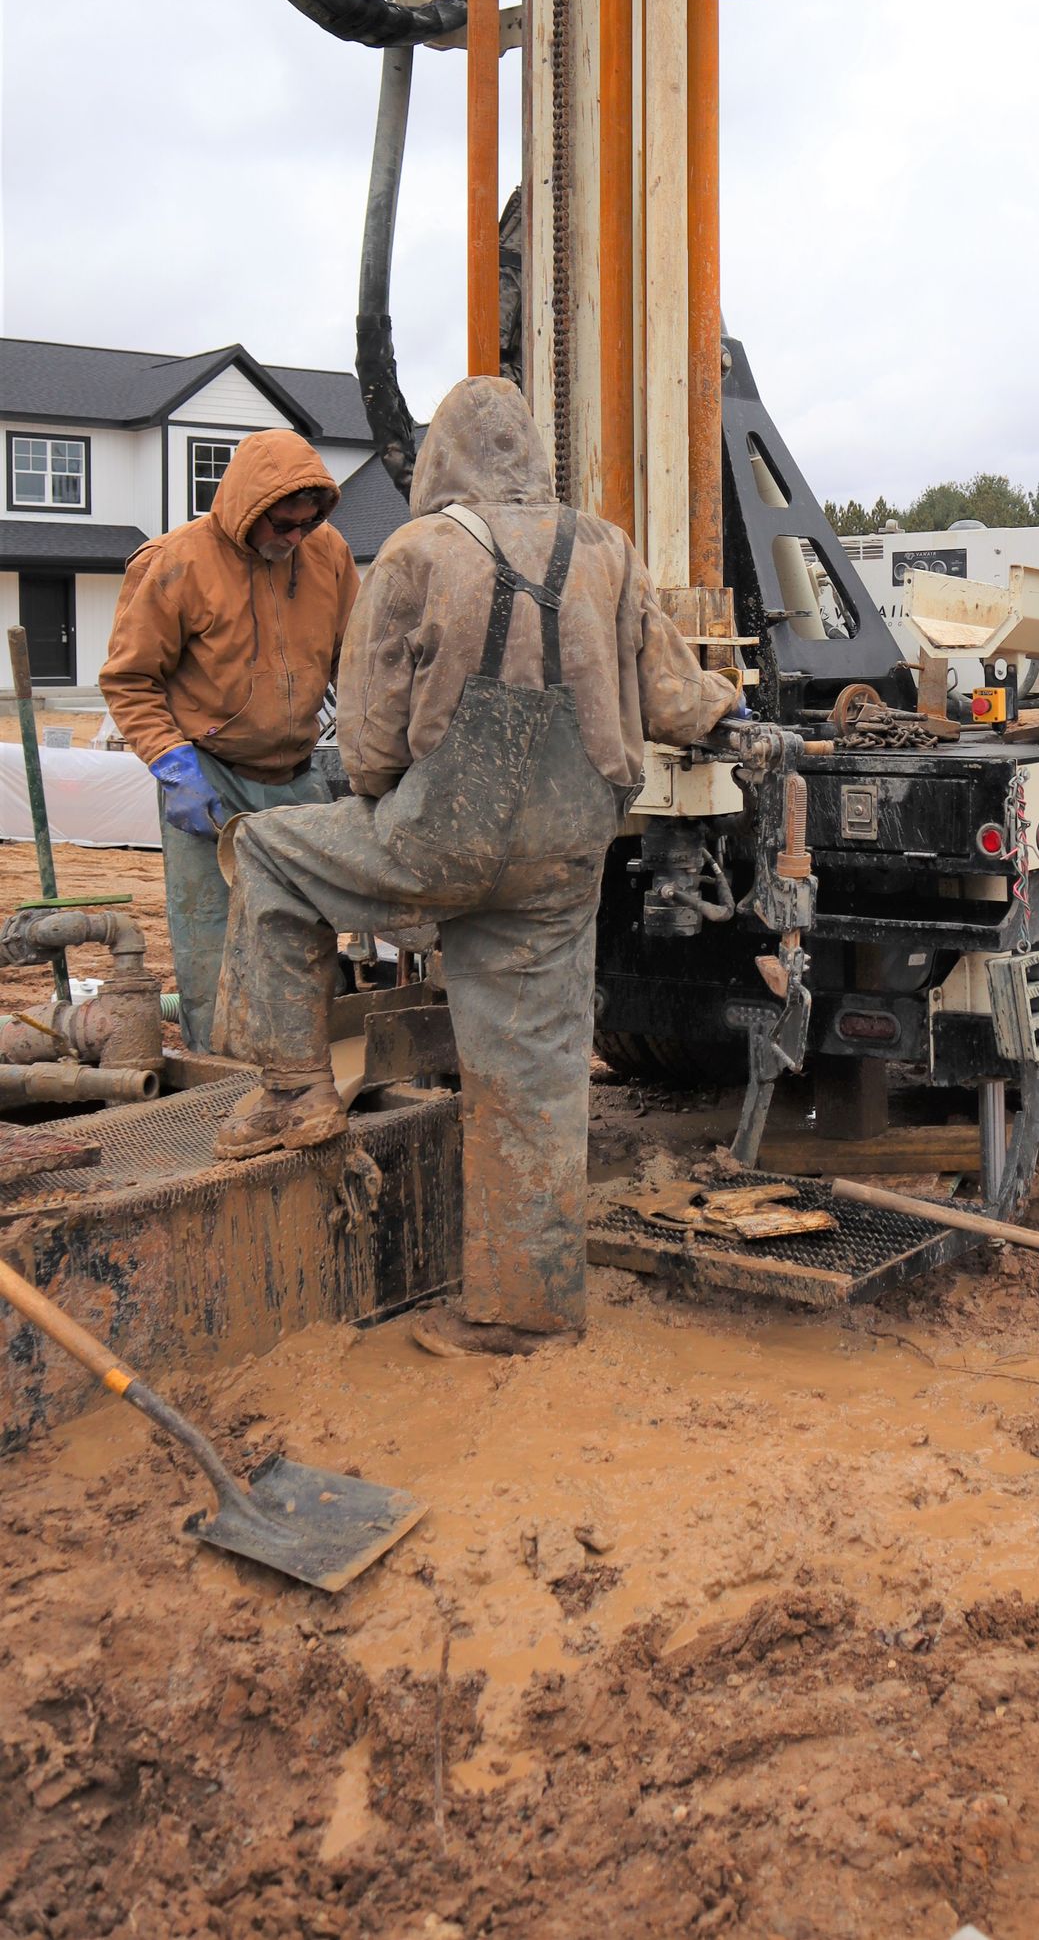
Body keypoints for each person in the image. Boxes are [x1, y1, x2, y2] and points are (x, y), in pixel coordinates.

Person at [209, 377, 741, 1357]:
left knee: (271, 855)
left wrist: (406, 820)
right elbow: (675, 699)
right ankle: (520, 1317)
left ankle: (293, 1087)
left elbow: (369, 749)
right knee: (534, 1080)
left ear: (444, 460)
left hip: (442, 837)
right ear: (535, 455)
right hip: (564, 856)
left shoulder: (416, 551)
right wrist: (734, 715)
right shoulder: (608, 547)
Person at [100, 432, 356, 1048]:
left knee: (304, 936)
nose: (296, 537)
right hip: (207, 775)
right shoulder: (176, 562)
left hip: (297, 773)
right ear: (247, 507)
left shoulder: (328, 554)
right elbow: (130, 679)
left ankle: (304, 1074)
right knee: (212, 947)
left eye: (309, 523)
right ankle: (217, 1079)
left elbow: (357, 661)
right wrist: (172, 764)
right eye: (284, 523)